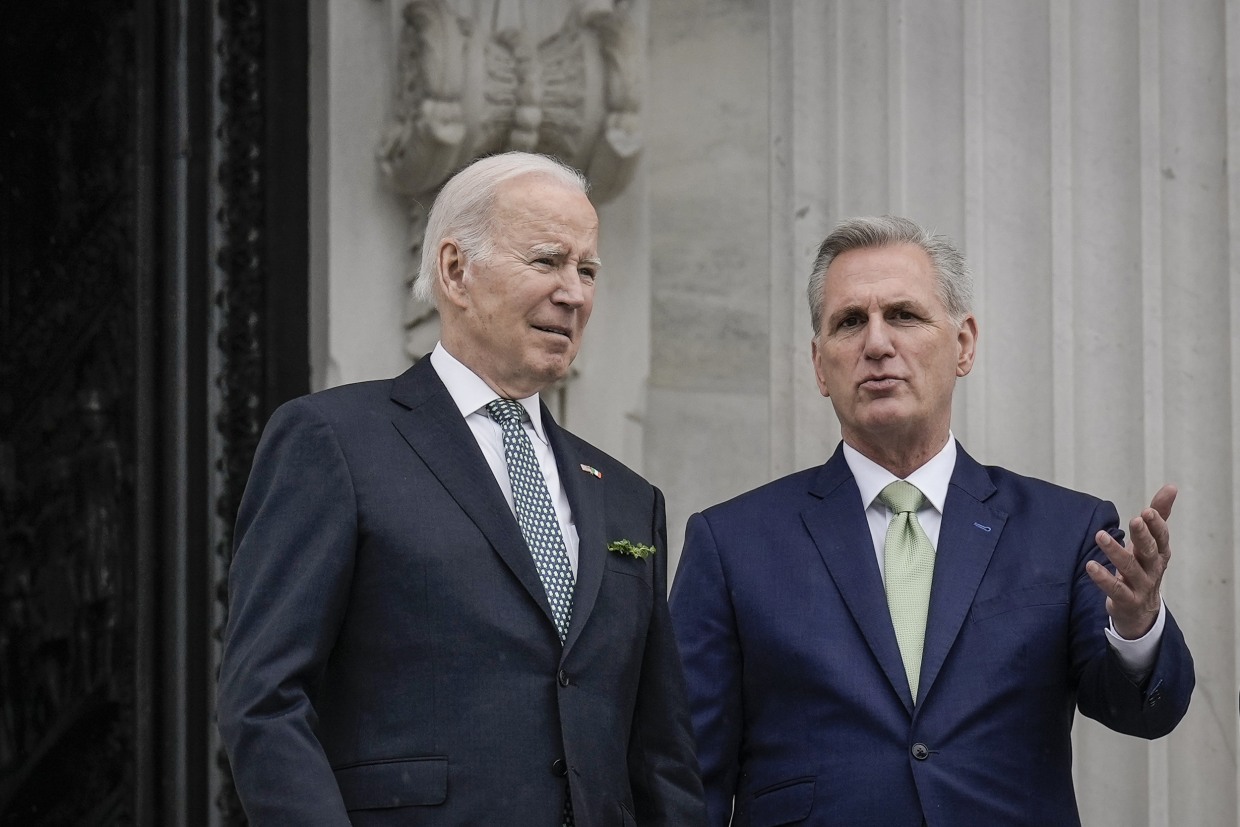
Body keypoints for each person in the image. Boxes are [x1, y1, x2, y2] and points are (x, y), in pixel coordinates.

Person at [217, 152, 706, 826]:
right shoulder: (334, 441)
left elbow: (662, 754)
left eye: (587, 270)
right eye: (547, 261)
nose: (574, 293)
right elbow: (265, 699)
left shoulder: (626, 496)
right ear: (455, 270)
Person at [669, 215, 1194, 827]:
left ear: (964, 344)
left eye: (904, 316)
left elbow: (1144, 714)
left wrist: (1135, 628)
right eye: (849, 322)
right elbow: (686, 774)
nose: (876, 344)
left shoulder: (1065, 530)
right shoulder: (732, 543)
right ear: (819, 365)